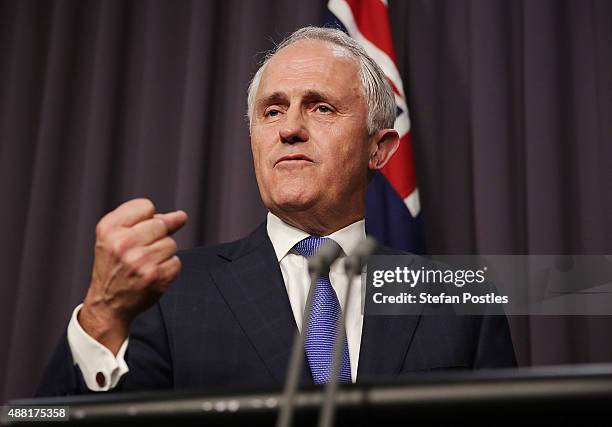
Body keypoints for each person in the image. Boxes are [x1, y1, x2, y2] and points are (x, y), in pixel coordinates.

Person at [37, 26, 516, 396]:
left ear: (380, 148)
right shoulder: (166, 291)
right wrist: (100, 317)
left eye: (321, 108)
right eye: (272, 111)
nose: (289, 129)